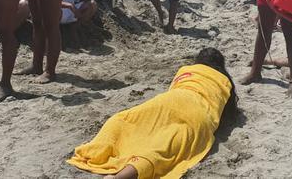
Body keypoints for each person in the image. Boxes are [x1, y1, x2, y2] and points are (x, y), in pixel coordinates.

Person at [67, 48, 239, 179]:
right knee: (165, 147)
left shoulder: (186, 70)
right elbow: (229, 113)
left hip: (169, 100)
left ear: (198, 61)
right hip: (198, 112)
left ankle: (97, 149)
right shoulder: (224, 80)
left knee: (124, 120)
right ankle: (121, 177)